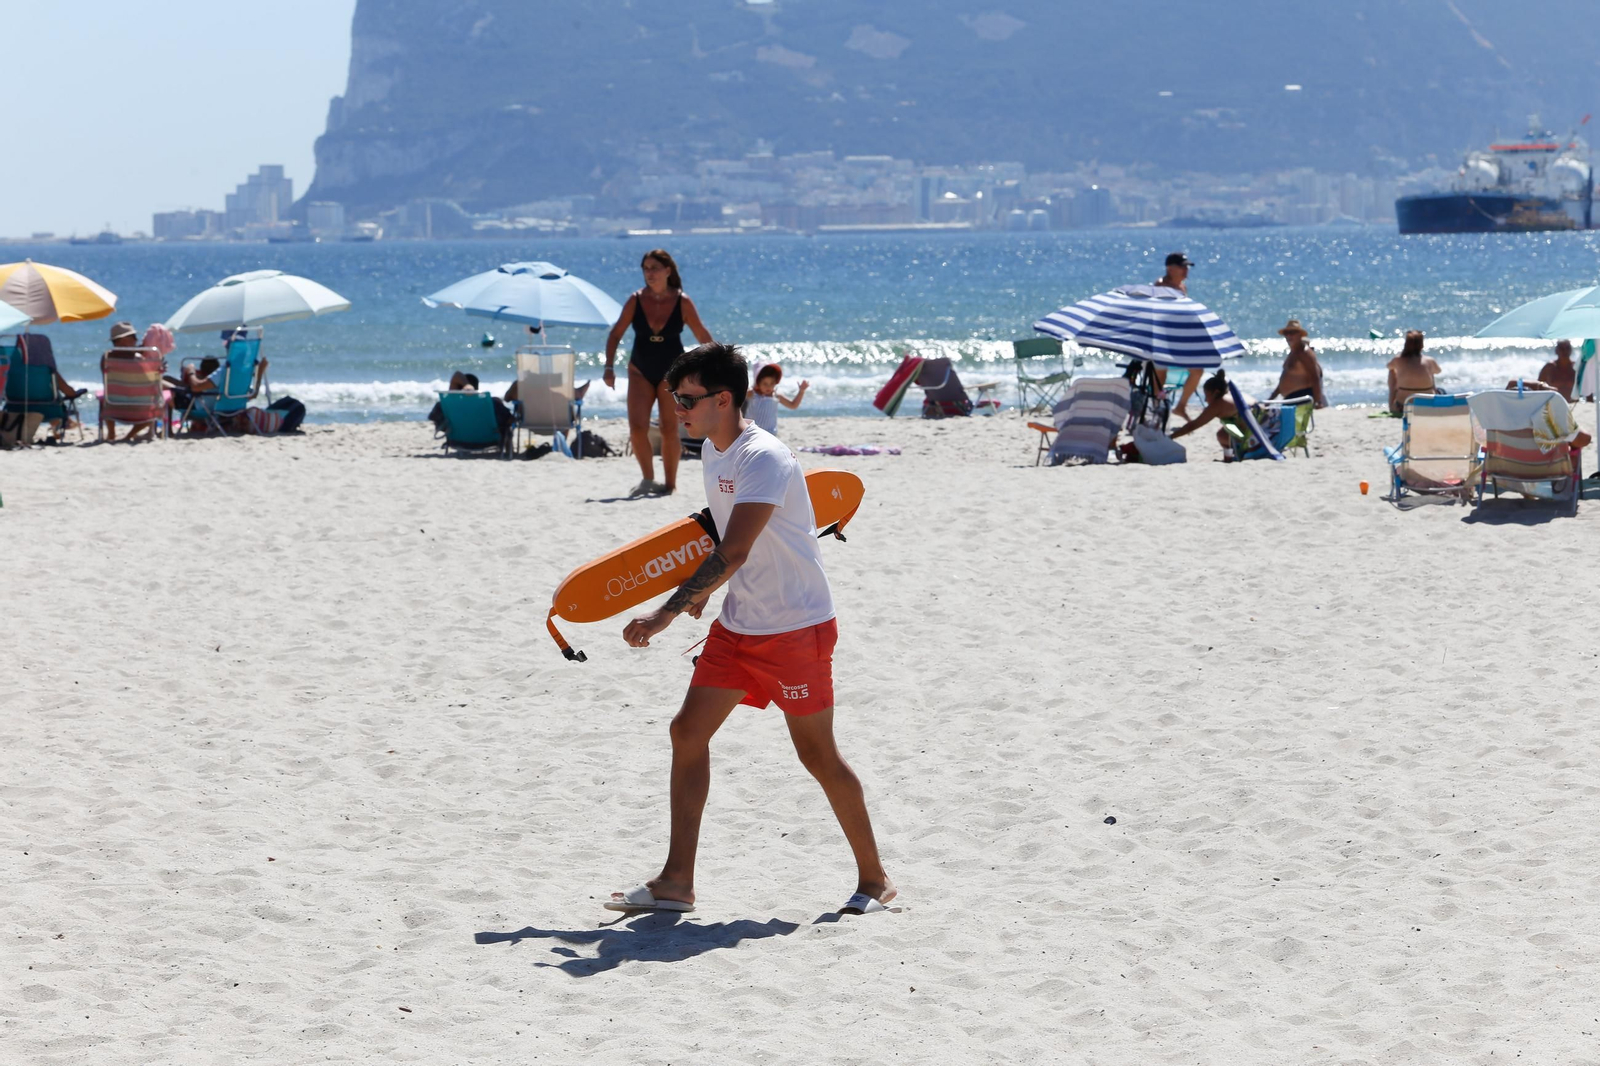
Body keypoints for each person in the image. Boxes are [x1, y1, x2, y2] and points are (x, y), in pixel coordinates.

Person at [611, 342, 894, 917]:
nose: (677, 408)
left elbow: (735, 548)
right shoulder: (714, 453)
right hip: (741, 624)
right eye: (672, 397)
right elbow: (733, 541)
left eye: (686, 398)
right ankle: (676, 882)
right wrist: (708, 591)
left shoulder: (763, 456)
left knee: (817, 756)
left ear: (723, 398)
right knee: (687, 733)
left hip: (795, 627)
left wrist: (666, 611)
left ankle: (875, 880)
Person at [603, 249, 714, 498]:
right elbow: (615, 334)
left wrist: (718, 361)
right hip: (640, 369)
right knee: (637, 426)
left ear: (668, 271)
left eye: (654, 268)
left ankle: (670, 484)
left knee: (668, 428)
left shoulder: (682, 301)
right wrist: (609, 367)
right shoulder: (636, 299)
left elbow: (701, 333)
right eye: (645, 269)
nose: (649, 273)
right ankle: (647, 478)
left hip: (671, 371)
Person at [1153, 253, 1205, 418]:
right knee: (1161, 372)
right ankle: (1156, 405)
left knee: (1197, 370)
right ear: (1170, 268)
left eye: (1186, 267)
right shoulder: (1160, 286)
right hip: (1162, 337)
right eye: (1182, 266)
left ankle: (1181, 406)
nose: (1185, 270)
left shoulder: (1182, 287)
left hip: (1178, 337)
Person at [6, 333, 85, 441]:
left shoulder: (12, 368)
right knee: (56, 397)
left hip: (14, 407)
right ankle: (60, 424)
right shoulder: (47, 369)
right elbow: (68, 391)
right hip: (47, 409)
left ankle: (61, 424)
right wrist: (74, 393)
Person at [1169, 368, 1245, 459]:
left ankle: (1232, 457)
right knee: (1223, 432)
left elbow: (1193, 425)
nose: (1205, 400)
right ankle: (1228, 458)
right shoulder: (1231, 395)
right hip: (1261, 423)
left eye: (1207, 396)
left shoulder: (1219, 403)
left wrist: (1170, 437)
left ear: (1216, 393)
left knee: (1222, 435)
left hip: (1255, 432)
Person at [102, 321, 158, 443]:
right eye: (133, 337)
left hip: (113, 408)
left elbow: (106, 381)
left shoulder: (106, 358)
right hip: (140, 410)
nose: (136, 340)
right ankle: (130, 435)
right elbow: (150, 383)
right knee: (157, 404)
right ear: (123, 340)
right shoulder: (139, 360)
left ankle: (111, 432)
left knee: (104, 397)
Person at [1268, 319, 1328, 409]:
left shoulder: (1305, 353)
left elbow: (1315, 376)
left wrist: (1318, 400)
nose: (1289, 336)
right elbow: (1284, 380)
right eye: (1286, 333)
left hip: (1300, 397)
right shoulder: (1293, 353)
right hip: (1290, 399)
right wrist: (1270, 400)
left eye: (1292, 333)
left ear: (1300, 335)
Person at [1388, 330, 1443, 415]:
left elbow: (1388, 366)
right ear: (1421, 345)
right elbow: (1438, 371)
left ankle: (1391, 405)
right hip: (1427, 406)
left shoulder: (1398, 360)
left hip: (1402, 407)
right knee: (1431, 372)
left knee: (1392, 371)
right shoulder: (1429, 360)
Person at [744, 363, 808, 435]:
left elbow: (793, 405)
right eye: (765, 383)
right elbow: (736, 396)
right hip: (752, 432)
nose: (768, 387)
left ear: (776, 382)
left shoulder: (776, 396)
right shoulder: (752, 393)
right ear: (758, 382)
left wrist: (801, 391)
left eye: (772, 383)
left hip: (770, 433)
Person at [1506, 339, 1579, 400]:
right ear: (1556, 350)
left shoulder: (1576, 368)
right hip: (1554, 403)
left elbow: (1586, 388)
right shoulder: (1550, 367)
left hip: (1573, 404)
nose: (1565, 351)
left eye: (1567, 348)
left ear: (1571, 350)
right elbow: (1539, 388)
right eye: (1562, 348)